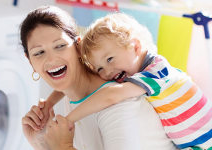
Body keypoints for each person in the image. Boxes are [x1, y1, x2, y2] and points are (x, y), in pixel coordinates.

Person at [43, 13, 212, 150]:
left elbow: (110, 95)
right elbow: (78, 75)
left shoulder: (157, 74)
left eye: (110, 59)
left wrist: (67, 121)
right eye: (100, 69)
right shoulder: (149, 68)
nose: (107, 72)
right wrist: (49, 104)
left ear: (134, 46)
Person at [20, 5, 177, 150]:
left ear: (78, 48)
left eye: (60, 46)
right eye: (39, 53)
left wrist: (64, 146)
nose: (51, 59)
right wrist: (39, 141)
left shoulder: (117, 104)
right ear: (30, 61)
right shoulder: (73, 97)